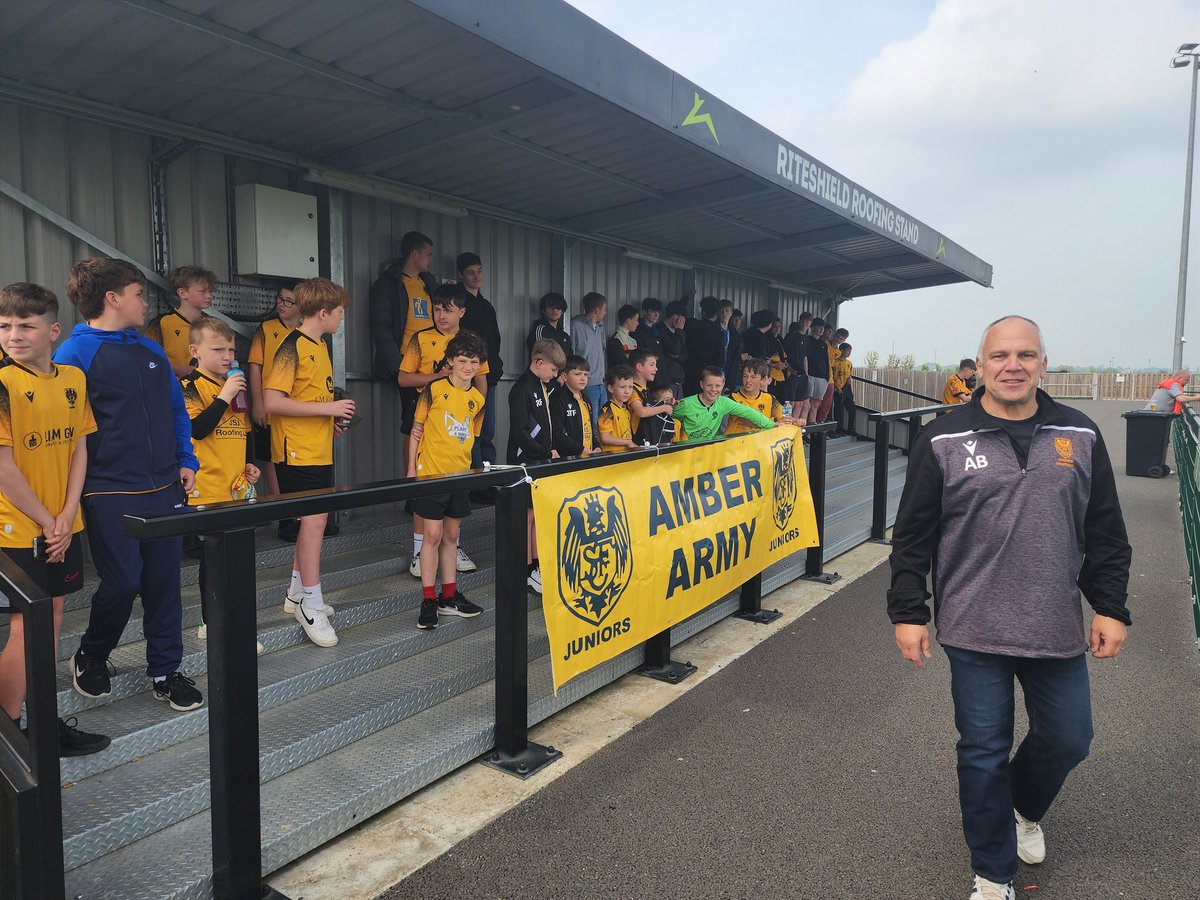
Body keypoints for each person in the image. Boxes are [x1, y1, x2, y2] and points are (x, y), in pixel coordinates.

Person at [887, 315, 1132, 900]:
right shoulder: (943, 439)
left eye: (1026, 355)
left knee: (1071, 737)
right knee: (982, 752)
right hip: (973, 627)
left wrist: (1111, 606)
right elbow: (913, 535)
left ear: (1043, 363)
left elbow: (1105, 532)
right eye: (1000, 355)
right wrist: (908, 611)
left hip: (1054, 624)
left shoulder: (1081, 433)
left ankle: (1023, 808)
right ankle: (993, 874)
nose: (1013, 365)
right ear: (981, 364)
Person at [54, 258, 203, 713]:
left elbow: (177, 412)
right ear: (112, 298)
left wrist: (186, 458)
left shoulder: (151, 351)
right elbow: (65, 431)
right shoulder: (73, 354)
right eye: (139, 294)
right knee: (121, 583)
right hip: (107, 488)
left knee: (163, 584)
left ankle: (165, 670)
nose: (146, 302)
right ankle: (92, 654)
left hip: (163, 487)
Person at [0, 282, 109, 755]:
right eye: (5, 326)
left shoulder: (72, 379)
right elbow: (3, 467)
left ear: (53, 330)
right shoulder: (3, 383)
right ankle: (10, 731)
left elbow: (79, 449)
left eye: (26, 325)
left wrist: (67, 514)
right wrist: (48, 520)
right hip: (19, 527)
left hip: (63, 524)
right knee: (29, 625)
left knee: (53, 619)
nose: (14, 334)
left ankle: (40, 721)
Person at [263, 277, 355, 649]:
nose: (342, 318)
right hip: (295, 450)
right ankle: (309, 603)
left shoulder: (319, 346)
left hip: (317, 447)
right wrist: (328, 408)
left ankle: (295, 592)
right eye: (340, 312)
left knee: (312, 522)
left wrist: (330, 420)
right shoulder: (292, 347)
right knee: (314, 522)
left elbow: (307, 399)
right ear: (322, 312)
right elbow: (272, 401)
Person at [180, 317, 262, 651]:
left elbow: (243, 431)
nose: (227, 355)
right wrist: (224, 396)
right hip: (206, 489)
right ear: (195, 351)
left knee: (237, 561)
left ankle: (233, 621)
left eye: (231, 349)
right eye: (218, 349)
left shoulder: (234, 384)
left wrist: (250, 464)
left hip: (236, 488)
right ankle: (210, 623)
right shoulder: (189, 387)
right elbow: (197, 429)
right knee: (212, 563)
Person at [398, 284, 487, 579]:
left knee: (456, 490)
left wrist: (478, 405)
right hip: (428, 413)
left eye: (447, 309)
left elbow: (482, 380)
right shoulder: (420, 338)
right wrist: (441, 377)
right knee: (422, 492)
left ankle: (454, 546)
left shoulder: (472, 340)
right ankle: (418, 550)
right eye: (436, 309)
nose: (440, 315)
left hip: (461, 421)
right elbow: (403, 378)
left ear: (461, 311)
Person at [408, 332, 487, 631]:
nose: (468, 367)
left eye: (474, 362)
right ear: (451, 362)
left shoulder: (477, 399)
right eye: (463, 361)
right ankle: (428, 600)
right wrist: (410, 472)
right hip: (430, 473)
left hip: (460, 476)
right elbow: (416, 430)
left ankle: (449, 596)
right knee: (432, 536)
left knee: (452, 537)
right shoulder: (434, 388)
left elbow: (470, 438)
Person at [368, 231, 437, 457]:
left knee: (434, 423)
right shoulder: (389, 285)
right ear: (414, 254)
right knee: (414, 426)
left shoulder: (429, 284)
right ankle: (414, 481)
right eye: (428, 255)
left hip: (435, 364)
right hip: (409, 366)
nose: (430, 260)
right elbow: (381, 328)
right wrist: (398, 366)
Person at [508, 339, 566, 594]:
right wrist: (544, 452)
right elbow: (521, 431)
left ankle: (535, 566)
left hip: (539, 459)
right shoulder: (522, 389)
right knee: (526, 516)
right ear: (539, 362)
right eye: (553, 370)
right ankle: (524, 569)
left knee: (535, 515)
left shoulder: (542, 386)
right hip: (525, 460)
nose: (554, 376)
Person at [248, 281, 302, 540]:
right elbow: (255, 367)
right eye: (280, 299)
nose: (282, 304)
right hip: (271, 410)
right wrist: (257, 402)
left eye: (289, 301)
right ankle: (285, 519)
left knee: (296, 465)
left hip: (298, 414)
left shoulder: (308, 333)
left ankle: (303, 517)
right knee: (273, 462)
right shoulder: (267, 329)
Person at [457, 252, 504, 467]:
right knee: (470, 430)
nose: (476, 277)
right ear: (461, 275)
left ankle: (488, 478)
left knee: (487, 431)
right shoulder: (459, 305)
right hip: (466, 378)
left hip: (489, 375)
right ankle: (474, 480)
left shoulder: (486, 306)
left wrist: (495, 366)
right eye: (470, 273)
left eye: (479, 271)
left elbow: (495, 340)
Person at [144, 265, 216, 378]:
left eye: (210, 291)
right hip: (172, 389)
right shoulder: (162, 323)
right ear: (182, 293)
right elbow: (147, 361)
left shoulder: (214, 326)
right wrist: (180, 369)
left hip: (207, 391)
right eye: (202, 291)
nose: (209, 296)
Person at [672, 367, 776, 442]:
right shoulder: (686, 404)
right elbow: (667, 418)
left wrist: (772, 425)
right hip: (684, 452)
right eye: (709, 385)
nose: (713, 389)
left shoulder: (723, 402)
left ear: (723, 386)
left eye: (717, 386)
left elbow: (749, 412)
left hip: (706, 451)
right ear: (701, 385)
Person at [725, 357, 803, 436]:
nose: (748, 380)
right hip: (736, 444)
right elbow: (749, 421)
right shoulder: (733, 398)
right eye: (745, 376)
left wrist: (796, 421)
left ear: (762, 380)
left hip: (761, 444)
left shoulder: (769, 398)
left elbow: (783, 416)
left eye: (753, 377)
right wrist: (773, 424)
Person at [571, 292, 608, 422]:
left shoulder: (600, 328)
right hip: (585, 383)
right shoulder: (575, 325)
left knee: (604, 422)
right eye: (604, 309)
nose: (605, 313)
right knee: (590, 421)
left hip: (601, 383)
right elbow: (571, 354)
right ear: (597, 310)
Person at [551, 354, 598, 457]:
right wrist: (580, 450)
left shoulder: (587, 400)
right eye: (577, 374)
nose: (583, 378)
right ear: (564, 376)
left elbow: (588, 429)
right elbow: (557, 433)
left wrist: (596, 446)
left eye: (585, 374)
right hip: (568, 459)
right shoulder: (558, 400)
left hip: (588, 456)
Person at [627, 347, 675, 443]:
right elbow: (641, 412)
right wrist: (664, 408)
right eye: (652, 365)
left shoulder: (646, 390)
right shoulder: (631, 389)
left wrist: (665, 402)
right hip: (638, 443)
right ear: (639, 367)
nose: (656, 369)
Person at [683, 296, 725, 396]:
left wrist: (685, 298)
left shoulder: (692, 324)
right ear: (716, 313)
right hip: (708, 374)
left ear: (703, 312)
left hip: (690, 371)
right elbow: (720, 357)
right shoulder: (718, 331)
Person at [597, 366, 639, 453]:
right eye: (622, 387)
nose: (627, 391)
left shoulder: (626, 411)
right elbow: (605, 438)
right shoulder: (607, 410)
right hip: (611, 458)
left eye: (630, 387)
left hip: (625, 456)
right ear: (610, 388)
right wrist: (627, 442)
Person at [655, 300, 688, 399]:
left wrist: (678, 356)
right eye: (682, 319)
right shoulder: (660, 330)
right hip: (667, 377)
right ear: (675, 317)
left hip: (679, 377)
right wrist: (679, 330)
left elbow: (685, 354)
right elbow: (675, 350)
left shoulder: (679, 333)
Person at [526, 292, 571, 360]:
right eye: (551, 307)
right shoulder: (540, 330)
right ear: (544, 310)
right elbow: (539, 355)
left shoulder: (565, 336)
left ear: (562, 312)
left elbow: (570, 357)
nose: (554, 310)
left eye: (558, 308)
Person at [833, 342, 859, 437]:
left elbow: (849, 374)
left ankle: (851, 428)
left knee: (852, 409)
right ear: (842, 350)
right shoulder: (835, 362)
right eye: (848, 350)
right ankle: (838, 429)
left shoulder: (849, 363)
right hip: (838, 387)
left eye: (850, 351)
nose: (849, 353)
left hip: (847, 388)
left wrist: (849, 379)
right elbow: (831, 376)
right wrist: (836, 387)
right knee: (839, 409)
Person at [606, 304, 640, 371]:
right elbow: (621, 363)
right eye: (636, 320)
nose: (638, 323)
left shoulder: (633, 340)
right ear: (628, 321)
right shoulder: (616, 339)